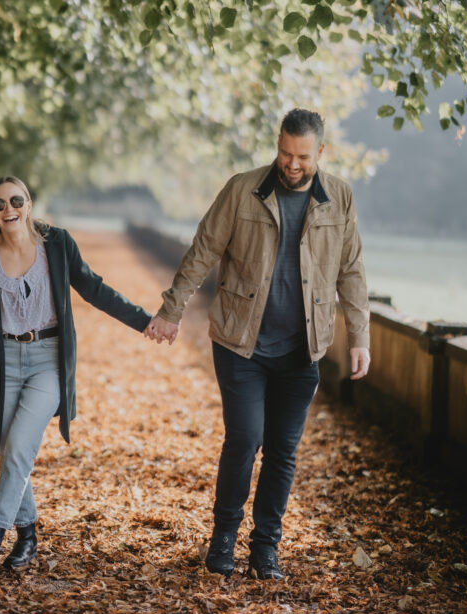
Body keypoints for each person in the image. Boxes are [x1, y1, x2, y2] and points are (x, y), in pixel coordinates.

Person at [145, 109, 371, 580]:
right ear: (278, 145)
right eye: (285, 153)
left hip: (302, 350)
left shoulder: (340, 197)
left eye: (303, 157)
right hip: (240, 342)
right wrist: (172, 308)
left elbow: (351, 269)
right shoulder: (243, 188)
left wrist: (359, 336)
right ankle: (223, 537)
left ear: (320, 154)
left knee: (283, 452)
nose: (292, 164)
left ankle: (265, 547)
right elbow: (204, 248)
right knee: (245, 439)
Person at [0, 176, 151, 576]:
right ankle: (27, 535)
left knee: (17, 448)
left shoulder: (57, 244)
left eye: (16, 200)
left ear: (28, 204)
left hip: (48, 359)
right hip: (4, 362)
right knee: (8, 447)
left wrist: (145, 321)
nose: (8, 209)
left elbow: (94, 289)